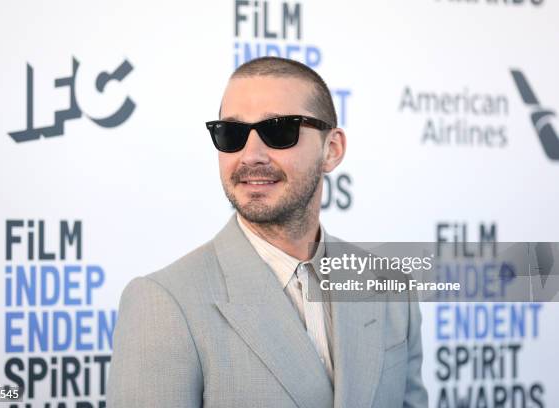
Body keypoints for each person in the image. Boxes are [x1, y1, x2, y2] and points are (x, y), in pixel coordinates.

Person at [107, 56, 428, 407]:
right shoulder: (163, 303)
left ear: (332, 150)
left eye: (278, 130)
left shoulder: (390, 289)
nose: (251, 155)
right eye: (232, 134)